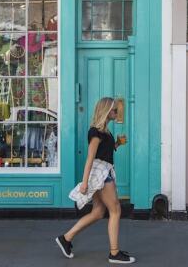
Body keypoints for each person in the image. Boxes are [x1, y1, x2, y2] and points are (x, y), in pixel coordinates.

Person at [56, 97, 135, 264]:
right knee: (115, 210)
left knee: (98, 212)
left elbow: (103, 153)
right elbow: (90, 158)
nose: (116, 112)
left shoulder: (105, 131)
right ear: (106, 111)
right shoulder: (96, 132)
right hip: (101, 175)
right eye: (114, 110)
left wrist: (117, 144)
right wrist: (84, 183)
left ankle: (66, 238)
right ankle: (114, 253)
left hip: (102, 172)